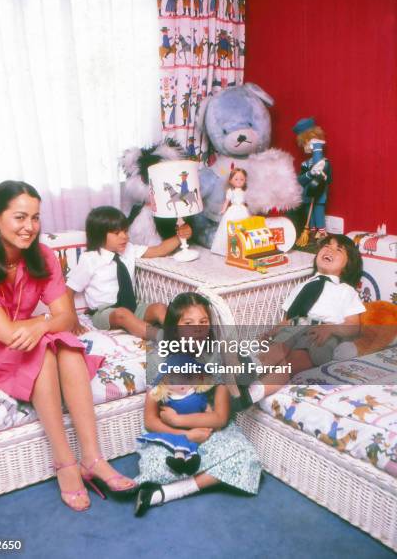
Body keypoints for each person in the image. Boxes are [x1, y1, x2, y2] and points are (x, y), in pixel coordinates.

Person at [0, 181, 135, 512]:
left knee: (65, 345)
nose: (29, 227)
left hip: (29, 339)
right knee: (48, 347)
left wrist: (40, 325)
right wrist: (42, 325)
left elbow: (65, 317)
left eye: (36, 218)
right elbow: (4, 334)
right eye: (20, 217)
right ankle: (64, 462)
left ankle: (93, 457)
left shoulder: (42, 256)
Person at [134, 292, 262, 516]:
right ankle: (187, 479)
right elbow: (151, 419)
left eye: (203, 322)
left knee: (247, 457)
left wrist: (182, 421)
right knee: (156, 465)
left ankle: (167, 492)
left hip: (207, 427)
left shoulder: (216, 357)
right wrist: (181, 434)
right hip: (169, 434)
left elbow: (220, 417)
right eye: (188, 323)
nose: (197, 330)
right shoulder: (158, 359)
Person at [238, 235, 365, 407]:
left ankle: (254, 393)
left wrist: (331, 329)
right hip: (295, 326)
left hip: (320, 332)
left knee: (293, 362)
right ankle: (245, 372)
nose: (329, 250)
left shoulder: (346, 291)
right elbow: (288, 319)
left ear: (348, 265)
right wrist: (272, 331)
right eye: (327, 246)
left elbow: (353, 326)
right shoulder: (302, 286)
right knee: (275, 348)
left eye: (338, 250)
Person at [66, 206, 191, 339]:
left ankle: (183, 335)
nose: (124, 237)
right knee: (123, 314)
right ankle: (165, 338)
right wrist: (73, 320)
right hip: (105, 313)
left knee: (159, 308)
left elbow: (159, 250)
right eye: (117, 233)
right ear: (99, 234)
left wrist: (180, 237)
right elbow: (68, 290)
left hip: (133, 306)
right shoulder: (90, 259)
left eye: (125, 231)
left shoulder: (129, 249)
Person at [211, 167, 250, 256]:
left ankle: (243, 247)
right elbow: (226, 202)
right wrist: (223, 209)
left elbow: (248, 201)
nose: (239, 181)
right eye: (236, 179)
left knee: (243, 228)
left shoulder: (245, 192)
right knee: (229, 228)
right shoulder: (230, 191)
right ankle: (226, 249)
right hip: (233, 210)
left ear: (245, 181)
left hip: (243, 210)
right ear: (230, 180)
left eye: (242, 179)